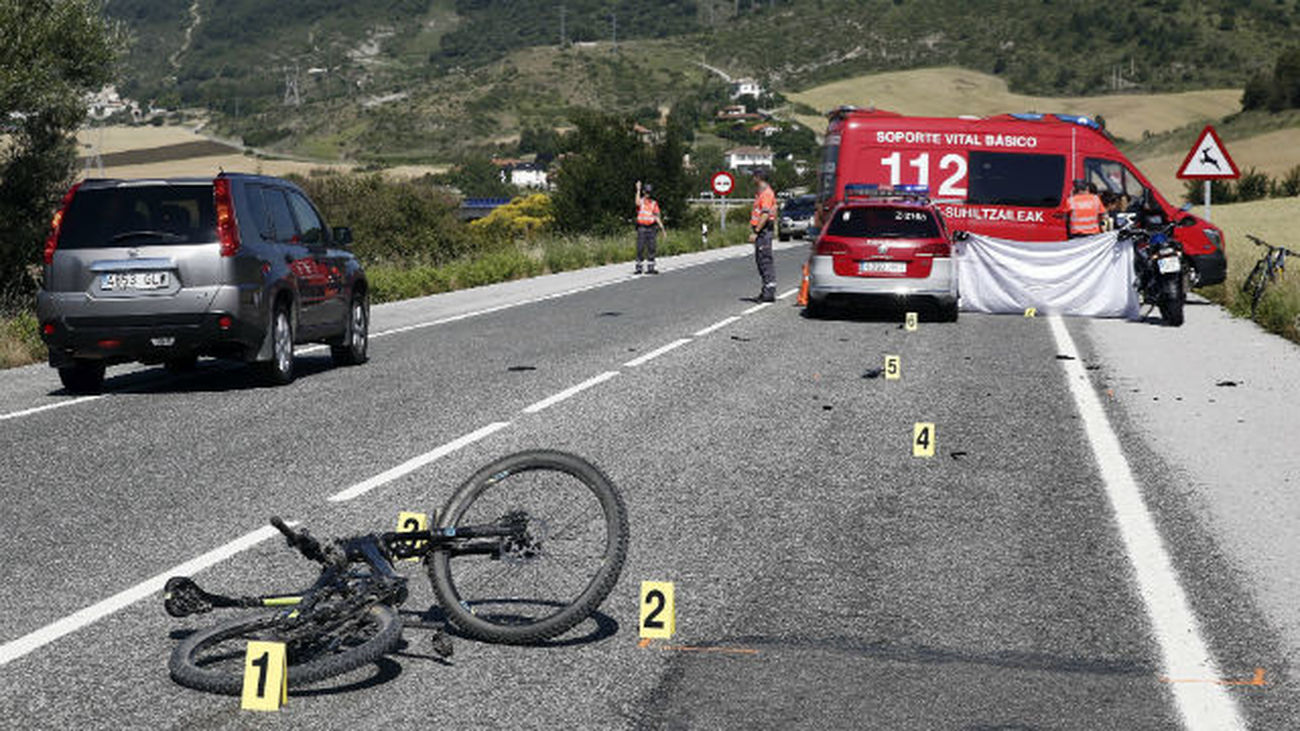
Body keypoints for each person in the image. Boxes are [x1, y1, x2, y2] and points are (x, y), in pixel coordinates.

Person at [748, 168, 777, 301]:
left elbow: (765, 214)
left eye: (754, 176)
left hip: (763, 230)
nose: (752, 179)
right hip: (763, 230)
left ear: (758, 178)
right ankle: (766, 289)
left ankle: (769, 292)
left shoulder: (766, 194)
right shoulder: (761, 193)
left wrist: (756, 231)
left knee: (765, 261)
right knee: (761, 260)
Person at [634, 181, 664, 274]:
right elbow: (637, 203)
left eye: (649, 192)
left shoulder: (654, 203)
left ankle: (651, 267)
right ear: (644, 192)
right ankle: (639, 267)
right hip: (642, 227)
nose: (648, 194)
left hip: (651, 228)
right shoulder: (641, 201)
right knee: (640, 247)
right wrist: (638, 189)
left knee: (652, 247)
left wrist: (662, 228)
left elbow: (656, 216)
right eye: (646, 192)